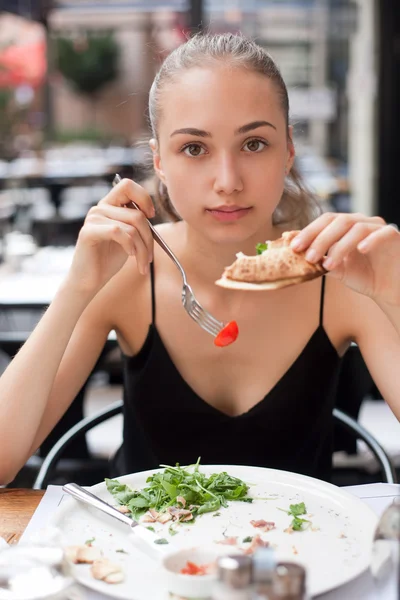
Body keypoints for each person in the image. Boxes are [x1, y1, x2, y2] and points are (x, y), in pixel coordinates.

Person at [1, 33, 399, 486]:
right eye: (194, 148)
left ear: (288, 151)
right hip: (134, 550)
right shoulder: (129, 271)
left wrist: (396, 294)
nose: (227, 181)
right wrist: (77, 288)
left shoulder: (342, 275)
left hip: (302, 553)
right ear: (160, 163)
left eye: (253, 144)